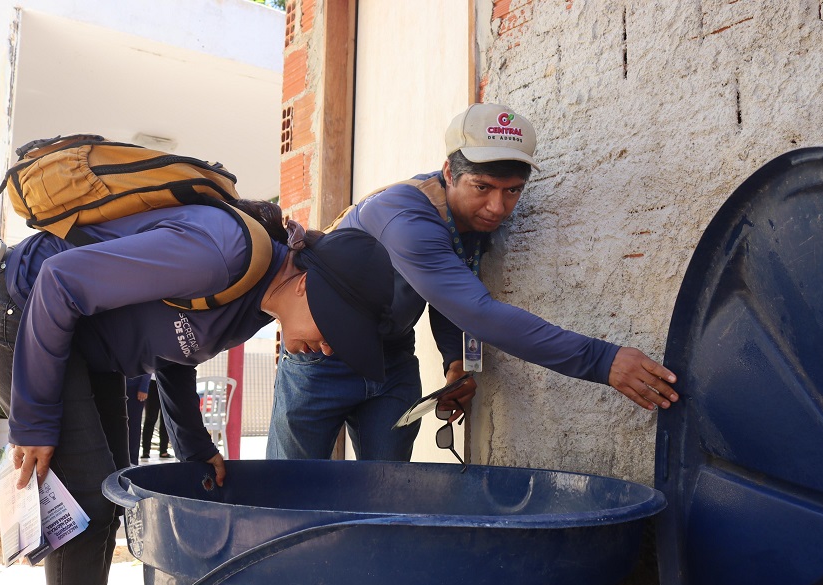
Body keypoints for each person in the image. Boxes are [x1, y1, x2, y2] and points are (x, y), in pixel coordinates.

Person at [0, 199, 394, 585]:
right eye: (335, 334)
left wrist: (194, 446)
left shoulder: (259, 303)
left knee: (108, 495)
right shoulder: (220, 255)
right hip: (21, 308)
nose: (327, 350)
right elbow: (58, 280)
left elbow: (175, 349)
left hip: (82, 341)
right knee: (86, 509)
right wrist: (32, 420)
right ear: (306, 286)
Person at [267, 102, 678, 462]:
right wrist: (602, 360)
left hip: (392, 362)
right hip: (321, 359)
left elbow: (450, 293)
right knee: (288, 492)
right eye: (483, 187)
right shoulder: (404, 216)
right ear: (449, 171)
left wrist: (456, 363)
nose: (498, 207)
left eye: (513, 191)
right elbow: (476, 312)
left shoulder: (468, 218)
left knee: (387, 491)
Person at [139, 375, 169, 460]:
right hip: (153, 382)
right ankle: (146, 451)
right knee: (150, 418)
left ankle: (163, 450)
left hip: (166, 381)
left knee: (165, 419)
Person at [125, 374, 148, 464]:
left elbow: (148, 362)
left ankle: (133, 461)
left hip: (135, 387)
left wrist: (144, 386)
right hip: (116, 384)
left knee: (134, 426)